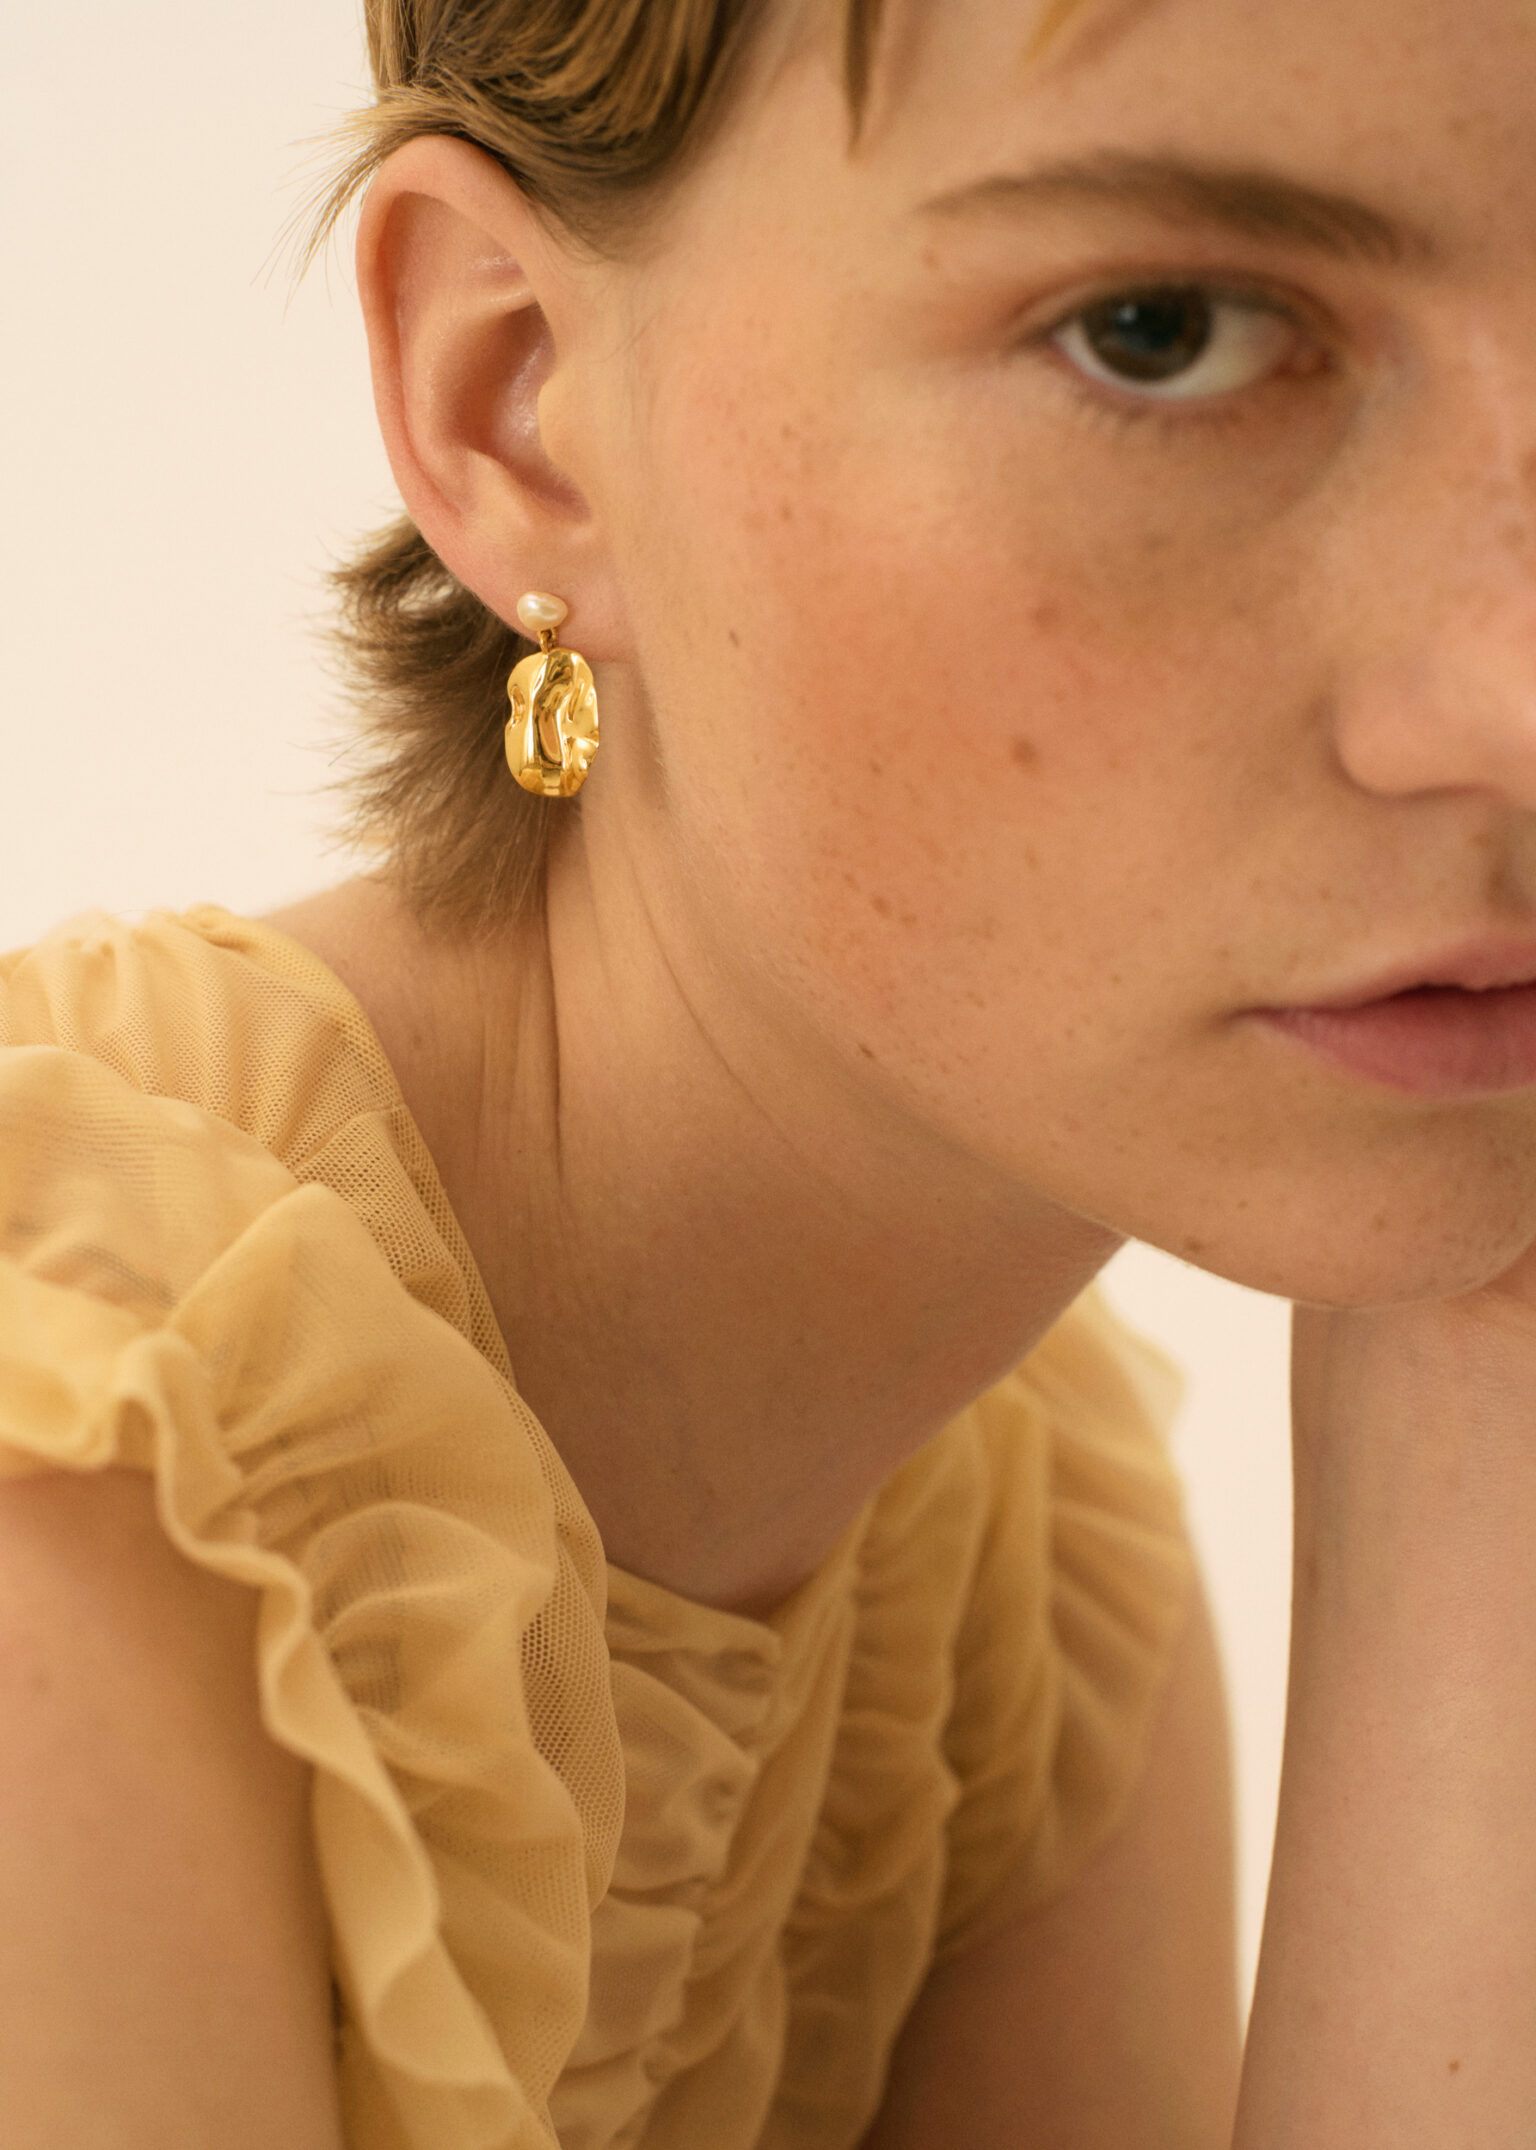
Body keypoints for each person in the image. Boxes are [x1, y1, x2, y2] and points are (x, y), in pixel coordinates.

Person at [4, 0, 1536, 2142]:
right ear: (517, 407)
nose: (1511, 701)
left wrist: (1480, 1378)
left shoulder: (993, 1591)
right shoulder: (66, 1501)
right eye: (1167, 331)